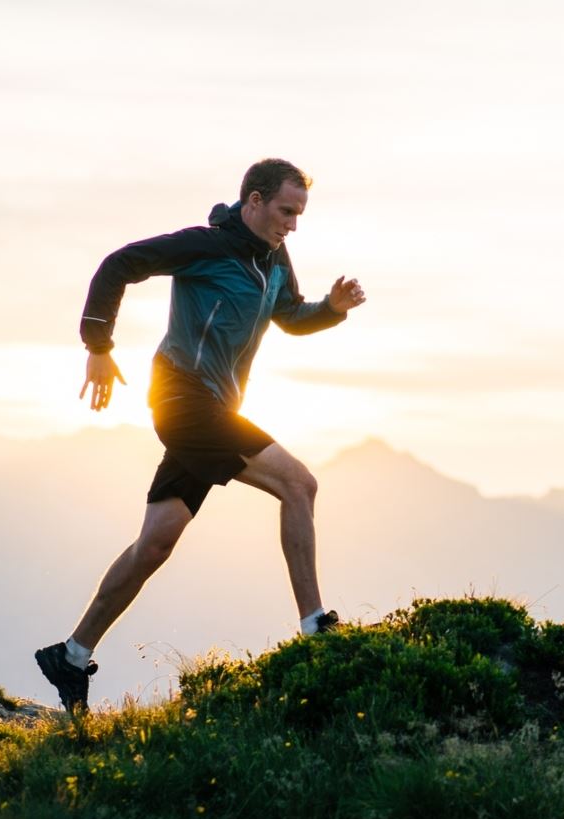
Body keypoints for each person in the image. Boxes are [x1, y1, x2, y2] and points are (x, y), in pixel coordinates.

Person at [35, 158, 366, 715]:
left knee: (155, 543)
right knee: (299, 484)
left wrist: (330, 310)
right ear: (254, 201)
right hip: (184, 400)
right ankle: (317, 628)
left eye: (299, 215)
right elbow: (119, 264)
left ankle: (71, 655)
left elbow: (289, 315)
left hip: (216, 407)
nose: (292, 225)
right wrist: (99, 346)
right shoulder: (205, 246)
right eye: (285, 211)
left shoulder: (274, 259)